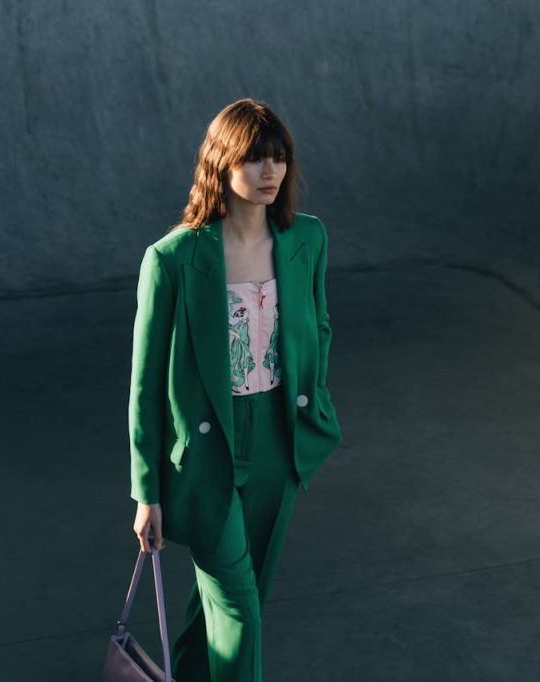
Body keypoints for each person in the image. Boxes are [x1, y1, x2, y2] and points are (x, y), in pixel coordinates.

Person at [128, 97, 344, 681]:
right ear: (222, 162)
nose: (269, 171)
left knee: (226, 609)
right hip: (208, 453)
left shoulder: (307, 240)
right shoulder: (173, 258)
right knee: (240, 611)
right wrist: (147, 491)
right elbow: (145, 385)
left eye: (279, 158)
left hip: (279, 438)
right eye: (254, 159)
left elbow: (318, 326)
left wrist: (314, 400)